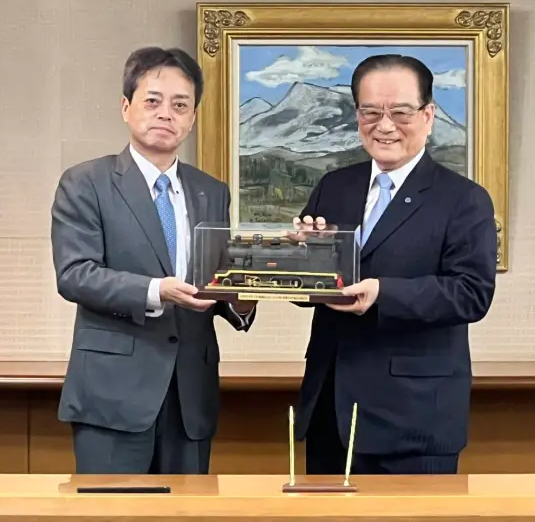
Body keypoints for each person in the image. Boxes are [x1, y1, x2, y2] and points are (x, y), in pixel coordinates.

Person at [50, 46, 257, 475]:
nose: (166, 114)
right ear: (126, 107)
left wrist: (243, 299)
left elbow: (216, 278)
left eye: (180, 105)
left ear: (192, 118)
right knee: (111, 508)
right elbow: (75, 275)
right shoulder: (86, 182)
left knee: (187, 508)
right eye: (153, 101)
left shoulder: (211, 191)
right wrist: (156, 290)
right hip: (113, 393)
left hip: (190, 395)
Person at [292, 54, 498, 475]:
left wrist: (382, 293)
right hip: (330, 408)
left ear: (428, 115)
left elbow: (471, 294)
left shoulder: (464, 199)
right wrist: (301, 259)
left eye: (400, 112)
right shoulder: (334, 186)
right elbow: (311, 287)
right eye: (371, 112)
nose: (384, 126)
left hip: (414, 418)